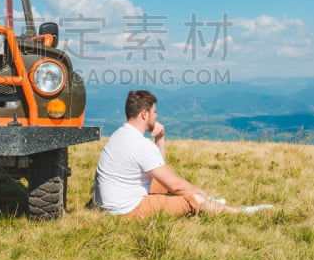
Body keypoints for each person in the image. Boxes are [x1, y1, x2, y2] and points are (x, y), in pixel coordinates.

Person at [93, 90, 273, 218]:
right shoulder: (139, 144)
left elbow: (158, 166)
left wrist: (160, 138)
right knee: (194, 199)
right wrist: (201, 195)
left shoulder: (121, 134)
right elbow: (176, 185)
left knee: (162, 184)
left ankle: (212, 203)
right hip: (126, 210)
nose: (156, 116)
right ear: (144, 114)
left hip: (109, 205)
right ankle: (238, 213)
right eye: (154, 112)